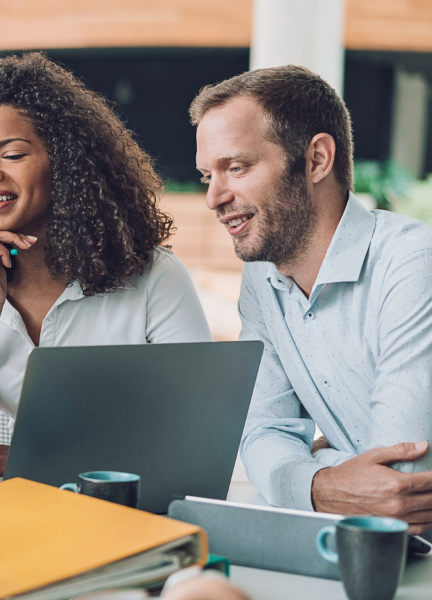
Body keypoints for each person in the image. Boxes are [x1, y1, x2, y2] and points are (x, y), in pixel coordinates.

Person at [0, 53, 211, 479]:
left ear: (67, 164)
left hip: (132, 515)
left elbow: (196, 435)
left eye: (12, 154)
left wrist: (41, 462)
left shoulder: (153, 279)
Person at [192, 66, 432, 531]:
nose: (214, 197)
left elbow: (400, 487)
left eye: (236, 167)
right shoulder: (262, 281)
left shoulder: (412, 263)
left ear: (317, 159)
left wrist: (312, 461)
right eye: (207, 175)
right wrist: (321, 481)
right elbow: (262, 432)